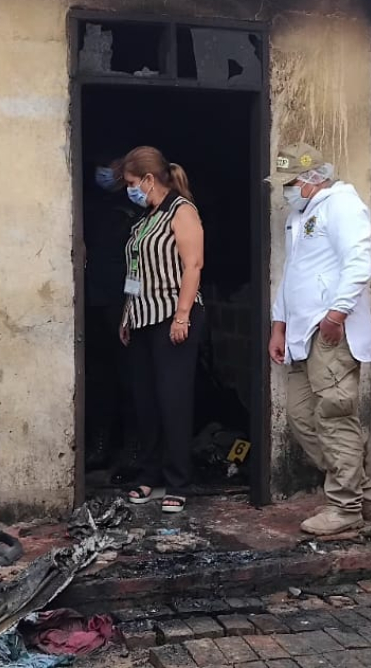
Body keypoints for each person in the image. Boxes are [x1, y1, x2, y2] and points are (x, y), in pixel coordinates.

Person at [267, 144, 371, 536]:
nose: (286, 192)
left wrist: (338, 312)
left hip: (329, 330)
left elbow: (360, 262)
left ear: (313, 179)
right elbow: (292, 275)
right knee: (301, 418)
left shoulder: (341, 206)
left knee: (334, 416)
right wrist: (279, 325)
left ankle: (345, 506)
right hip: (301, 332)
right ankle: (361, 490)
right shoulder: (301, 216)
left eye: (291, 184)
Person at [118, 146, 205, 514]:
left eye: (132, 183)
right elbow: (134, 273)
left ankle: (178, 480)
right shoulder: (143, 219)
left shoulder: (181, 211)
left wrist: (182, 316)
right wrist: (126, 314)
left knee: (173, 399)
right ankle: (149, 473)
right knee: (146, 399)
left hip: (173, 317)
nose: (130, 189)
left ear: (149, 179)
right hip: (141, 318)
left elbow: (194, 265)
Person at [83, 158, 140, 476]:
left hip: (125, 305)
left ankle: (133, 450)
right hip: (93, 302)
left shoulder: (136, 209)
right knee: (98, 378)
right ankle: (100, 446)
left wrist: (129, 307)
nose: (105, 173)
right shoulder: (90, 206)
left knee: (131, 379)